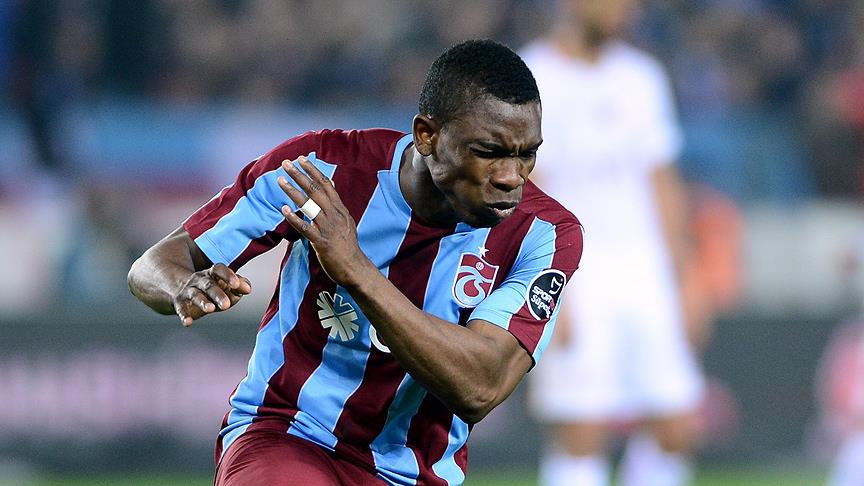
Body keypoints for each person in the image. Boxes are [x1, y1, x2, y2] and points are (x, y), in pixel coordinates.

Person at [127, 39, 583, 485]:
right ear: (427, 135)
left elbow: (480, 387)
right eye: (489, 152)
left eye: (527, 154)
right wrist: (183, 285)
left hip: (413, 473)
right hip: (288, 432)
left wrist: (354, 267)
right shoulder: (323, 170)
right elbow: (154, 264)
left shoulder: (544, 235)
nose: (511, 177)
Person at [521, 1, 704, 485]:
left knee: (678, 424)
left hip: (645, 269)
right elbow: (526, 188)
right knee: (581, 428)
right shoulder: (530, 77)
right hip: (573, 271)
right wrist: (545, 285)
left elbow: (661, 178)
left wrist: (687, 279)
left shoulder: (642, 77)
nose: (625, 9)